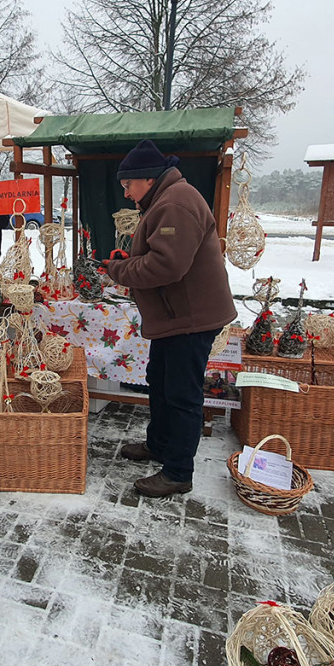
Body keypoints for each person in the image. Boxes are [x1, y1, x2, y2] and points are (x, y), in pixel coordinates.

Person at [104, 139, 237, 498]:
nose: (127, 194)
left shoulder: (176, 203)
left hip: (190, 319)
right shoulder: (165, 198)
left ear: (147, 179)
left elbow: (167, 265)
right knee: (160, 382)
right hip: (176, 317)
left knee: (181, 394)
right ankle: (159, 446)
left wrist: (119, 270)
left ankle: (178, 472)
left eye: (128, 185)